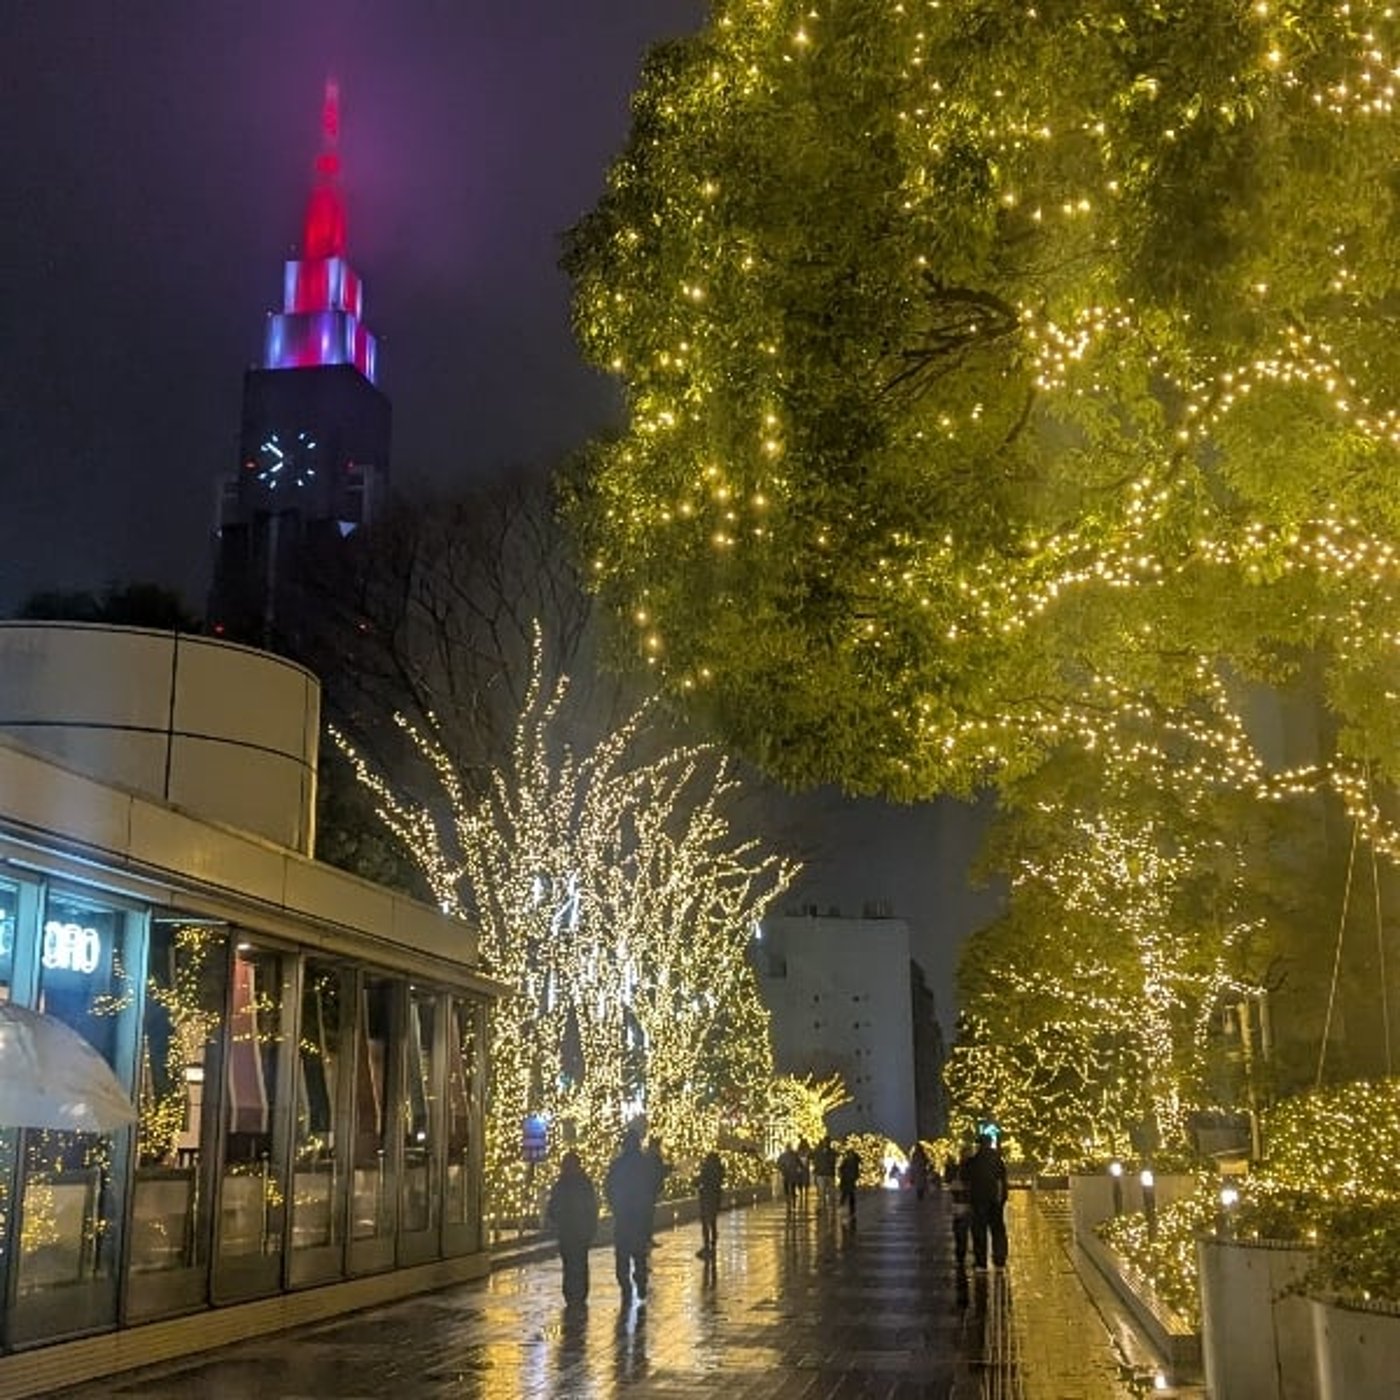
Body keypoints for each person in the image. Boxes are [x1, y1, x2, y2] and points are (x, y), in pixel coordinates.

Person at [605, 1128, 658, 1305]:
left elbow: (608, 1188)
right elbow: (654, 1186)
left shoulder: (618, 1165)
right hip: (640, 1216)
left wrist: (615, 1206)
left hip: (623, 1216)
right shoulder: (645, 1164)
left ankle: (626, 1286)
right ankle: (640, 1282)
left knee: (622, 1255)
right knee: (639, 1254)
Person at [546, 1150, 599, 1305]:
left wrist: (557, 1219)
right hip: (576, 1231)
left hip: (570, 1231)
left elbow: (552, 1208)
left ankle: (572, 1294)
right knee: (577, 1263)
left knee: (571, 1264)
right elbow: (592, 1208)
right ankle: (578, 1294)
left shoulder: (562, 1185)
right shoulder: (583, 1184)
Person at [961, 1131, 1009, 1270]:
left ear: (980, 1145)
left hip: (979, 1199)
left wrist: (964, 1161)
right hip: (996, 1200)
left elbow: (964, 1177)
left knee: (979, 1229)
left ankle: (981, 1261)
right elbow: (1002, 1179)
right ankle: (1000, 1259)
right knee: (998, 1229)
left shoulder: (974, 1160)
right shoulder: (997, 1159)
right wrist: (1002, 1198)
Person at [945, 1141, 974, 1268]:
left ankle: (960, 1255)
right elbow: (949, 1180)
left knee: (960, 1231)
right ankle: (962, 1255)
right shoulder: (968, 1167)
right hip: (966, 1203)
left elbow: (949, 1181)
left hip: (961, 1204)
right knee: (964, 1231)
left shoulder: (959, 1167)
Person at [695, 1149, 725, 1260]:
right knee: (713, 1221)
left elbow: (699, 1181)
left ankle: (706, 1246)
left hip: (707, 1197)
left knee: (705, 1223)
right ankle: (713, 1242)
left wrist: (695, 1181)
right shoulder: (720, 1169)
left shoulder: (706, 1169)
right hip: (716, 1198)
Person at [837, 1143, 861, 1227]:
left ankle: (847, 1209)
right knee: (847, 1195)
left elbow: (842, 1169)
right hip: (847, 1180)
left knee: (849, 1195)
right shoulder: (849, 1161)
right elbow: (841, 1169)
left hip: (848, 1180)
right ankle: (846, 1208)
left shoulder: (852, 1162)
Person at [813, 1137, 838, 1212]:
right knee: (822, 1192)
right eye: (825, 1142)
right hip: (822, 1174)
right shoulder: (818, 1151)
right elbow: (814, 1159)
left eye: (827, 1142)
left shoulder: (831, 1152)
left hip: (828, 1174)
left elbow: (833, 1161)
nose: (826, 1143)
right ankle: (823, 1206)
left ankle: (830, 1206)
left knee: (830, 1192)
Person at [777, 1143, 803, 1211]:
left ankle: (789, 1202)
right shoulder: (793, 1155)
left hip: (787, 1174)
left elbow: (778, 1164)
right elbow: (800, 1164)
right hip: (790, 1174)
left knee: (788, 1188)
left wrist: (781, 1169)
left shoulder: (784, 1156)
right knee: (791, 1188)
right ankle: (791, 1202)